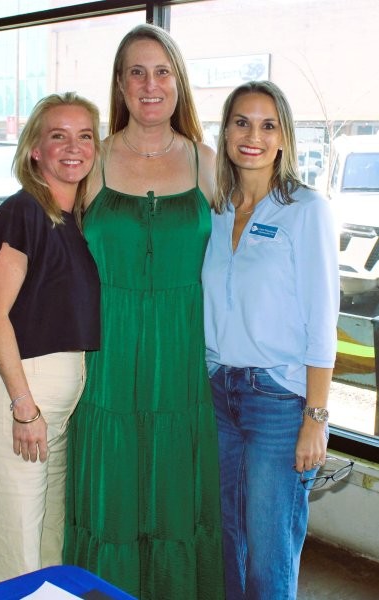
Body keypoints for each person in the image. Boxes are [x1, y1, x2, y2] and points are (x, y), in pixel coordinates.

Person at [0, 23, 225, 600]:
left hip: (180, 362)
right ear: (120, 83)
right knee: (91, 508)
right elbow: (42, 219)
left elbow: (249, 243)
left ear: (179, 83)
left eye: (162, 71)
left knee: (171, 500)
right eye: (137, 72)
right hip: (105, 363)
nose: (150, 84)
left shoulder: (207, 162)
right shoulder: (95, 162)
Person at [202, 80, 340, 599]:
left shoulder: (305, 210)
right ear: (226, 132)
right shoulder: (215, 209)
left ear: (284, 138)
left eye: (267, 125)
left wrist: (315, 419)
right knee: (224, 542)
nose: (253, 136)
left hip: (278, 402)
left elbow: (321, 321)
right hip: (217, 393)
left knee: (269, 552)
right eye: (241, 122)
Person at [0, 91, 101, 587]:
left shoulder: (75, 219)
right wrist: (24, 408)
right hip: (17, 398)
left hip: (53, 410)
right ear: (35, 150)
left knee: (47, 546)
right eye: (58, 135)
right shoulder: (22, 212)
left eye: (85, 135)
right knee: (14, 555)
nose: (74, 146)